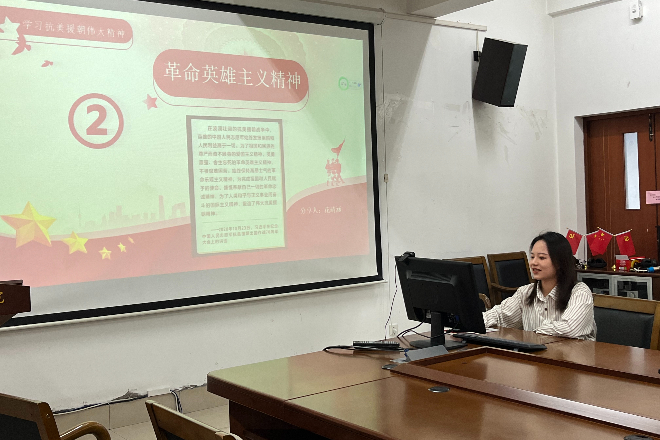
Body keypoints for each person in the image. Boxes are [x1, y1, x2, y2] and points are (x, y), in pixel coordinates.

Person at [482, 231, 596, 340]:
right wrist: (475, 322)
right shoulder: (525, 293)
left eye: (542, 258)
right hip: (537, 352)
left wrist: (531, 334)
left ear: (559, 262)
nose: (533, 263)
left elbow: (570, 329)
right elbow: (500, 316)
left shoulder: (580, 292)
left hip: (573, 353)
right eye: (532, 257)